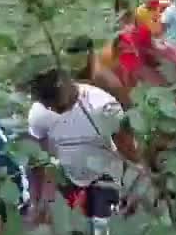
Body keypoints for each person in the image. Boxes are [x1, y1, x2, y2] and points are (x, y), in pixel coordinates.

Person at [20, 62, 148, 223]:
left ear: (65, 84)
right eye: (48, 106)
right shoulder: (39, 113)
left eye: (56, 104)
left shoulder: (103, 108)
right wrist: (36, 200)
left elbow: (129, 153)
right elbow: (37, 159)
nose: (52, 109)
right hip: (69, 179)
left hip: (105, 181)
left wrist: (133, 190)